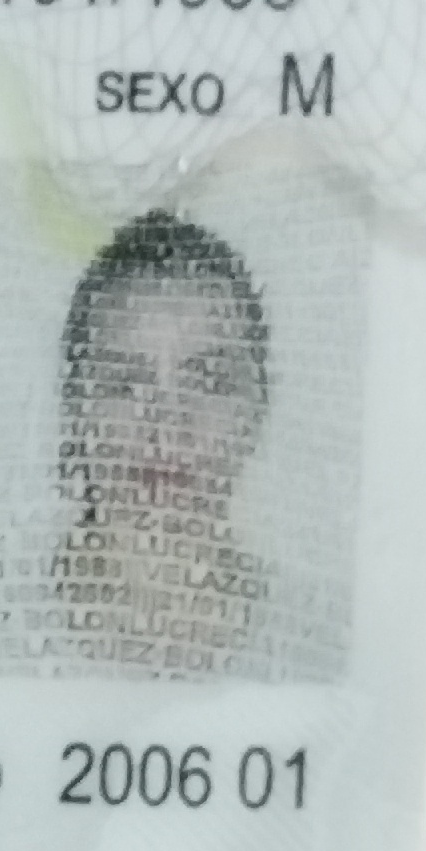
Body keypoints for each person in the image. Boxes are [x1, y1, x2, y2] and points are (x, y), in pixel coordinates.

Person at [42, 208, 278, 678]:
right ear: (75, 407)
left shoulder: (327, 639)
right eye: (125, 384)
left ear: (255, 412)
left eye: (208, 381)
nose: (166, 424)